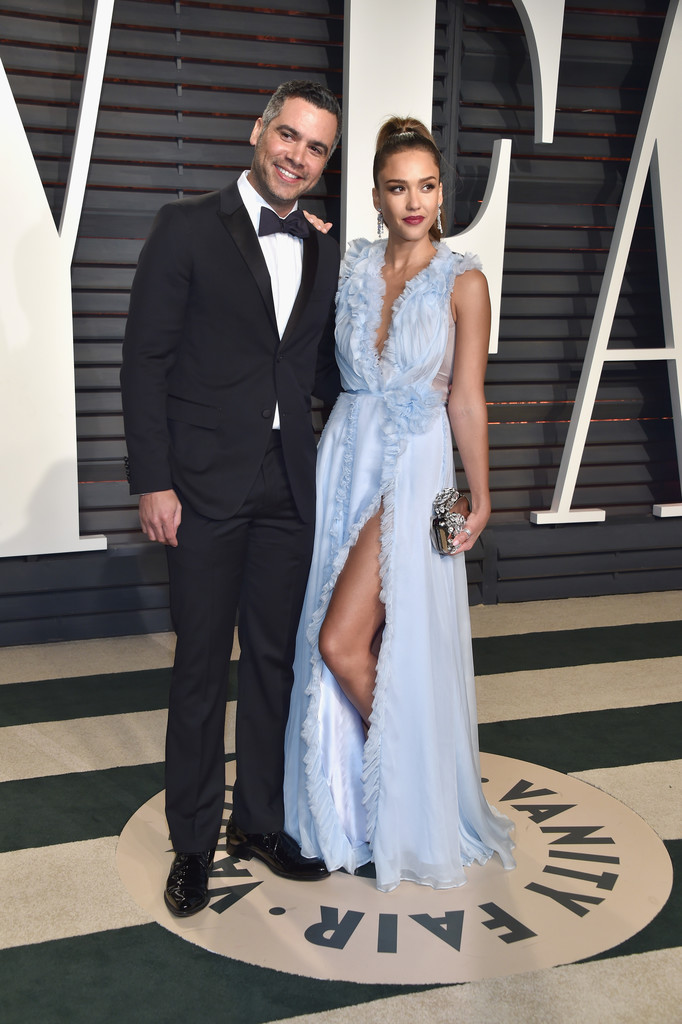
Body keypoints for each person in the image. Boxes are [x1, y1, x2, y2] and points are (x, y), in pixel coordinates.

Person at [120, 80, 342, 917]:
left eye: (316, 148)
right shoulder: (184, 227)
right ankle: (191, 843)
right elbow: (144, 361)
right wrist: (153, 480)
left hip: (289, 485)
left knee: (277, 662)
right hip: (201, 487)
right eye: (289, 136)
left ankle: (259, 822)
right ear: (259, 131)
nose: (297, 156)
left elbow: (316, 367)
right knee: (201, 667)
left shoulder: (322, 248)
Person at [283, 116, 516, 892]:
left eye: (426, 186)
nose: (414, 201)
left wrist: (479, 497)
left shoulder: (465, 282)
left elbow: (468, 400)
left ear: (442, 193)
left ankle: (418, 795)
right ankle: (364, 809)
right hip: (344, 458)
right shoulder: (350, 265)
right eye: (397, 187)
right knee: (365, 640)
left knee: (347, 641)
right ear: (377, 197)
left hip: (419, 471)